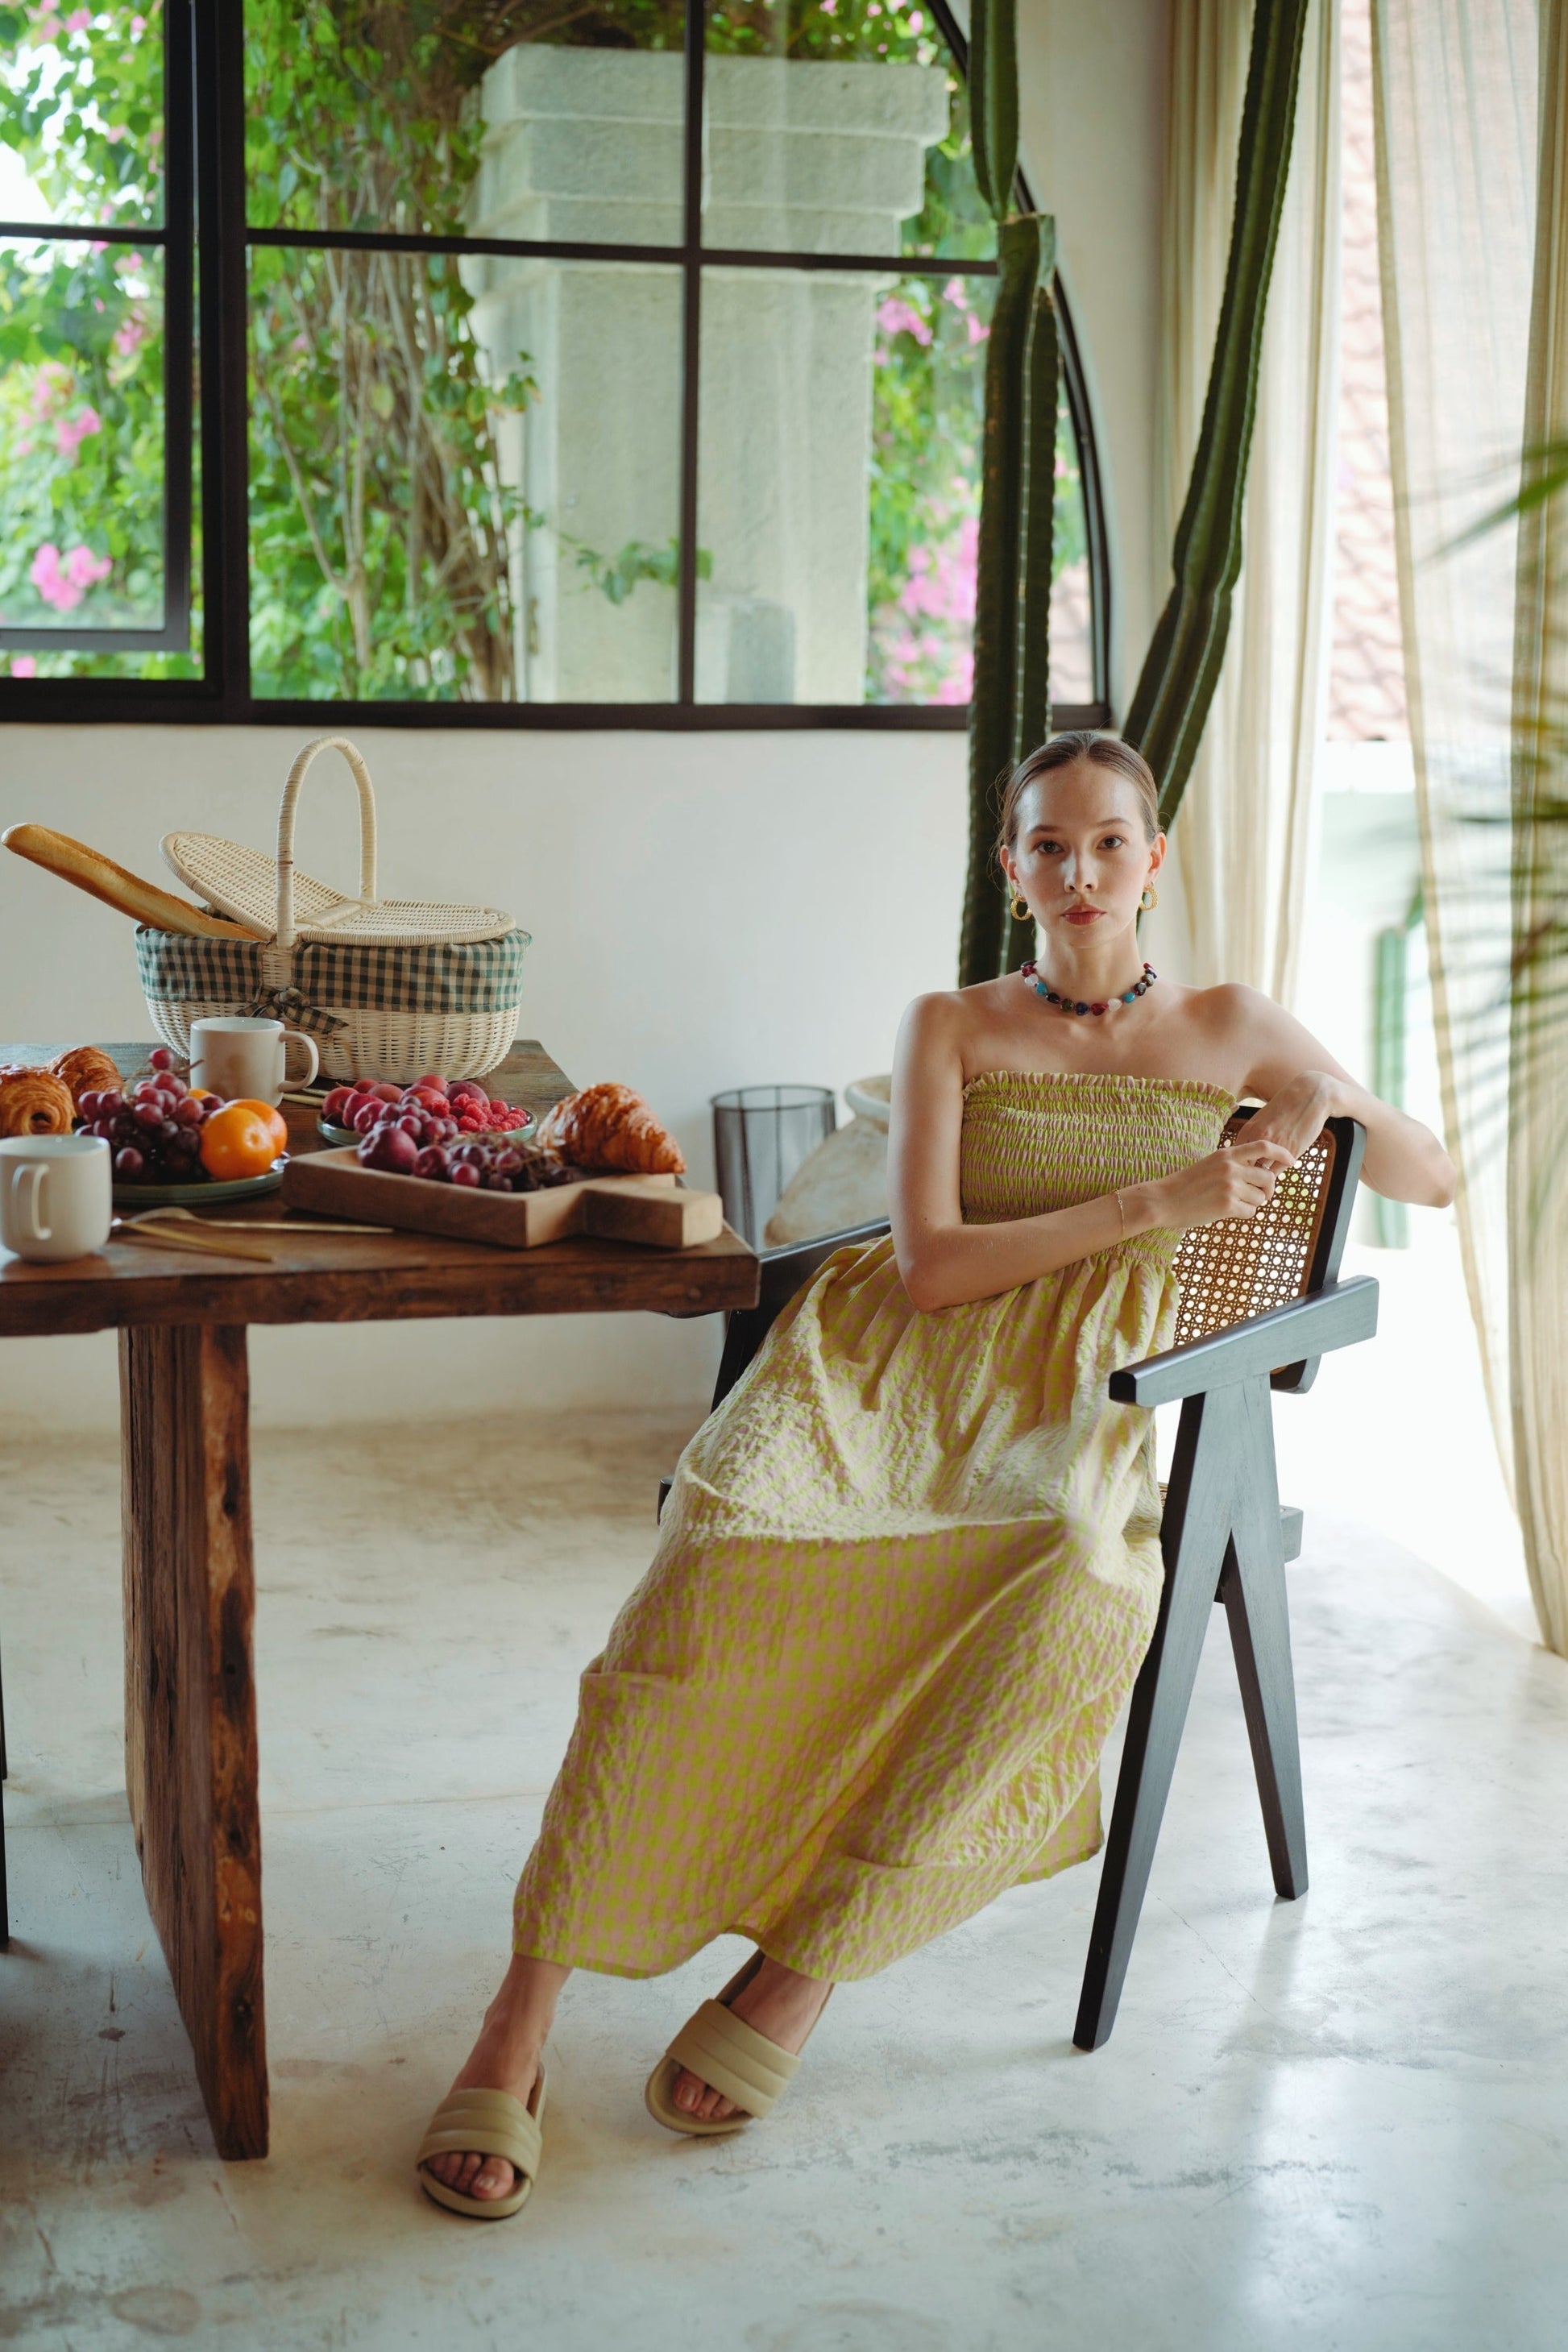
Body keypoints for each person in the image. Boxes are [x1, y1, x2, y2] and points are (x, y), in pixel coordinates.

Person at [414, 730, 1455, 2218]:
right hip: (883, 1366)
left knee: (1068, 1579)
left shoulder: (1230, 1022)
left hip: (1080, 1392)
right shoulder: (948, 1023)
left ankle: (800, 1967)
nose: (1082, 872)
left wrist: (1332, 1102)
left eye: (1110, 843)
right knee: (719, 1546)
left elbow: (1427, 1176)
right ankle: (518, 2017)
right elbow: (932, 1265)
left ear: (1153, 860)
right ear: (1011, 866)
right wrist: (1163, 1193)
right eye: (1050, 845)